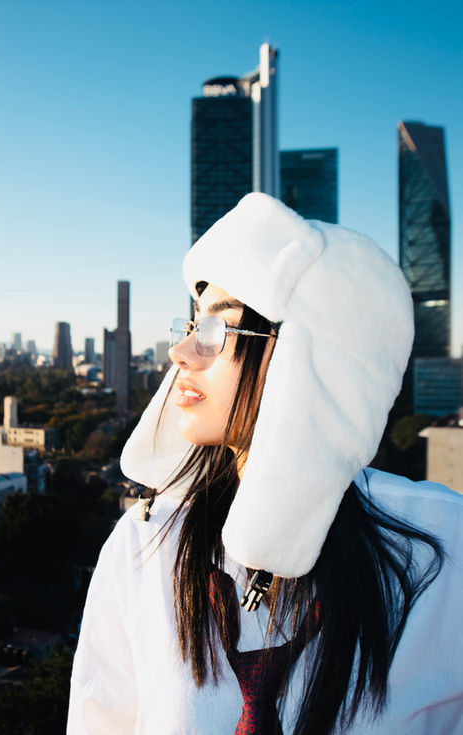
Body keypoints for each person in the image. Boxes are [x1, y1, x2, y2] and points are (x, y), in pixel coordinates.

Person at [67, 194, 463, 734]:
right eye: (191, 325)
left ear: (314, 358)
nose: (180, 353)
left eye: (218, 329)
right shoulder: (144, 546)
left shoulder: (443, 550)